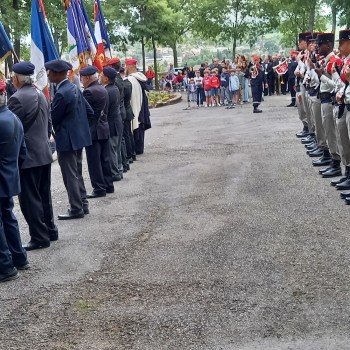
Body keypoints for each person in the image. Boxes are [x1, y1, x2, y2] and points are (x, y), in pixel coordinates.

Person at [8, 61, 58, 250]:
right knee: (44, 195)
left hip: (28, 157)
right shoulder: (40, 92)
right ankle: (50, 230)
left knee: (30, 199)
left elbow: (15, 130)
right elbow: (48, 123)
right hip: (43, 152)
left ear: (16, 78)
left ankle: (39, 237)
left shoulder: (17, 98)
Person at [45, 59, 92, 220]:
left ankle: (76, 208)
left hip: (67, 139)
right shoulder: (74, 88)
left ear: (58, 73)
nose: (48, 74)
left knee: (70, 175)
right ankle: (83, 203)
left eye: (50, 72)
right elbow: (89, 111)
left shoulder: (61, 93)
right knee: (77, 172)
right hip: (79, 138)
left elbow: (54, 118)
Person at [0, 79, 29, 282]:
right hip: (8, 177)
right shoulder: (12, 117)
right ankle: (19, 257)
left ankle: (5, 266)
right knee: (8, 217)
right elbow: (22, 152)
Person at [80, 65, 114, 198]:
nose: (81, 80)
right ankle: (108, 185)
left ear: (88, 78)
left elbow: (85, 113)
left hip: (94, 130)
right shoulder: (102, 89)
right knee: (105, 159)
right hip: (104, 128)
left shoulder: (88, 92)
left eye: (82, 78)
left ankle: (99, 188)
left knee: (94, 162)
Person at [313, 33, 341, 177]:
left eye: (320, 44)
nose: (317, 47)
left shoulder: (334, 61)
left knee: (331, 133)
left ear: (328, 45)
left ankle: (336, 162)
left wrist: (321, 76)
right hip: (323, 99)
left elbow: (337, 86)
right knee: (327, 131)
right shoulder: (326, 61)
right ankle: (331, 159)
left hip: (329, 100)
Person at [100, 67, 124, 183]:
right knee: (116, 148)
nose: (100, 75)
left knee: (112, 150)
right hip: (117, 122)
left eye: (101, 74)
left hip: (112, 124)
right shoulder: (114, 88)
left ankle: (115, 173)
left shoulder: (107, 91)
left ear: (106, 78)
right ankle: (118, 170)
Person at [126, 58, 151, 155]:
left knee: (137, 125)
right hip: (142, 106)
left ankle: (137, 148)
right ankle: (140, 148)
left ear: (129, 67)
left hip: (136, 106)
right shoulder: (141, 77)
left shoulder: (132, 79)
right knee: (140, 126)